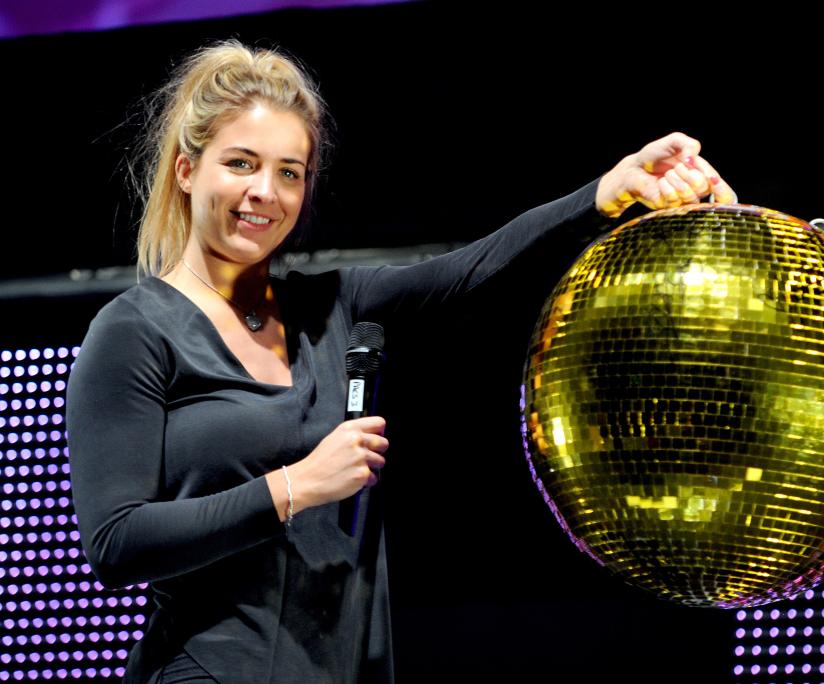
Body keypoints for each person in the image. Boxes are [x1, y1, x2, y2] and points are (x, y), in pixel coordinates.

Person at [66, 40, 734, 683]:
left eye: (289, 172)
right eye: (240, 163)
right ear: (188, 170)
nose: (265, 191)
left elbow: (474, 270)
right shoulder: (132, 333)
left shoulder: (331, 307)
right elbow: (119, 541)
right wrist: (298, 485)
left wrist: (609, 192)